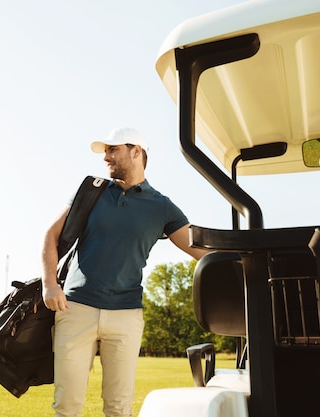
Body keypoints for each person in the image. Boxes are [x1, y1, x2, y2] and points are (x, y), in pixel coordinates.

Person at [41, 127, 209, 417]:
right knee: (66, 405)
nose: (106, 157)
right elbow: (50, 236)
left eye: (112, 149)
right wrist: (50, 284)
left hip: (126, 315)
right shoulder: (91, 191)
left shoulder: (162, 207)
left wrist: (245, 259)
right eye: (105, 151)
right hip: (76, 307)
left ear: (136, 152)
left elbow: (199, 250)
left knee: (119, 407)